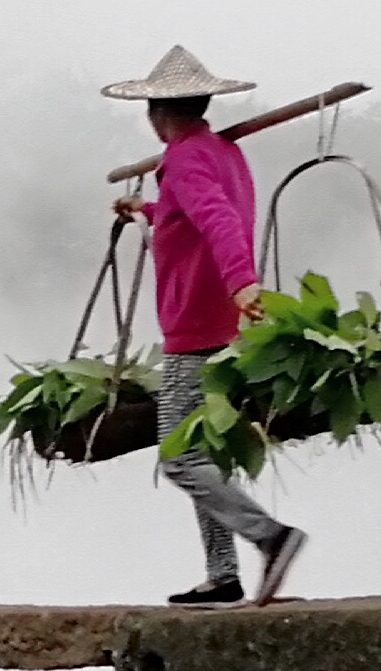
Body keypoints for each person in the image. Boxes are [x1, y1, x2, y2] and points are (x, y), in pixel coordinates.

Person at [105, 47, 308, 606]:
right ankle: (223, 575)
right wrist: (145, 213)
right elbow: (190, 217)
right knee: (204, 453)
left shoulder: (188, 159)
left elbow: (218, 219)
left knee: (179, 457)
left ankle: (272, 538)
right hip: (222, 324)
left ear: (156, 113)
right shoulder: (220, 153)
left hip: (199, 326)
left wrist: (243, 282)